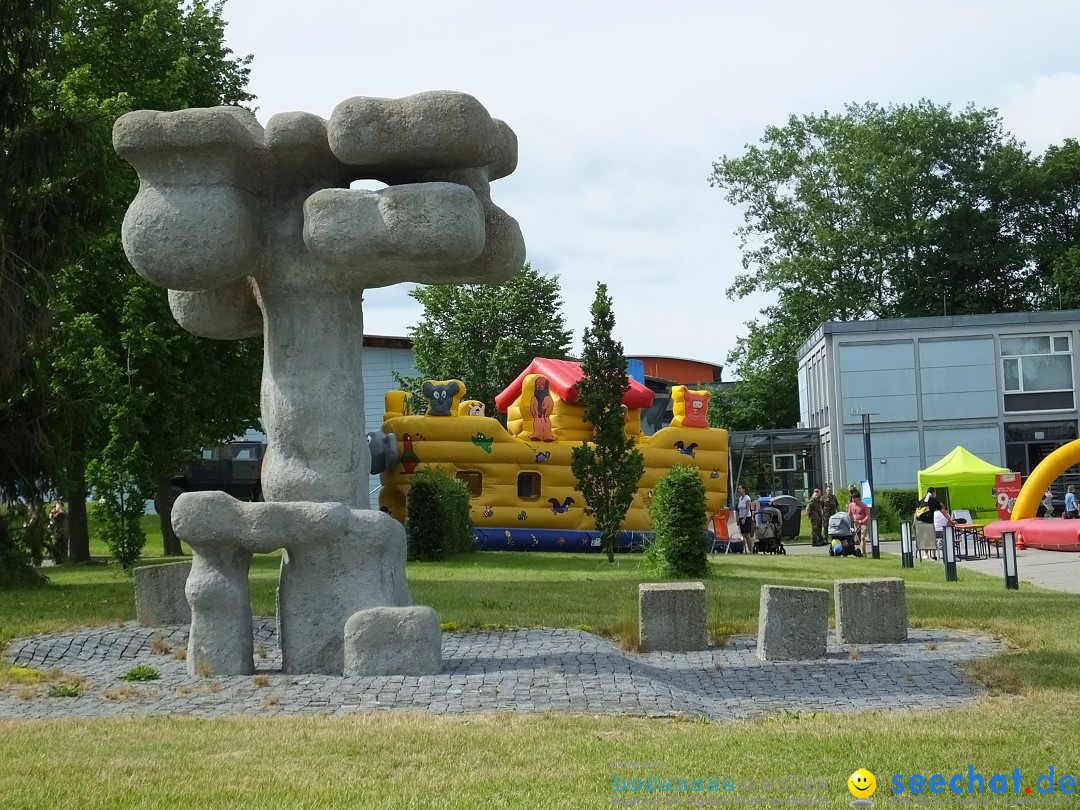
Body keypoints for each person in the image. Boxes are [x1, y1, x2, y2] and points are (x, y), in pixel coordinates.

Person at [847, 490, 871, 557]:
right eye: (852, 498)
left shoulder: (863, 505)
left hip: (863, 523)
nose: (853, 499)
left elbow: (868, 515)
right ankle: (863, 552)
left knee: (863, 537)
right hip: (856, 524)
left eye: (854, 498)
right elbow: (849, 514)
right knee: (860, 539)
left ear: (858, 498)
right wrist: (849, 521)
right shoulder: (851, 505)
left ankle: (863, 553)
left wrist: (862, 521)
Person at [736, 484, 754, 553]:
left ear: (744, 490)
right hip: (741, 517)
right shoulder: (740, 498)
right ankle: (745, 549)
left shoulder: (747, 498)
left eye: (740, 488)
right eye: (738, 489)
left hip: (747, 518)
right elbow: (739, 509)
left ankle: (751, 550)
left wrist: (744, 518)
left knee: (747, 534)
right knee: (743, 534)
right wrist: (738, 519)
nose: (739, 490)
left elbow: (747, 509)